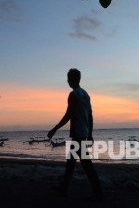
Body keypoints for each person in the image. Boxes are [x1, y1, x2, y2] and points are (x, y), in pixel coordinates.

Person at [47, 68, 103, 201]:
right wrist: (90, 133)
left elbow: (68, 115)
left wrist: (54, 129)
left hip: (78, 135)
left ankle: (97, 192)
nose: (67, 81)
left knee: (86, 164)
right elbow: (90, 116)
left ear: (74, 79)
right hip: (83, 133)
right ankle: (64, 188)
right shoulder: (85, 94)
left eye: (68, 78)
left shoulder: (73, 95)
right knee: (71, 162)